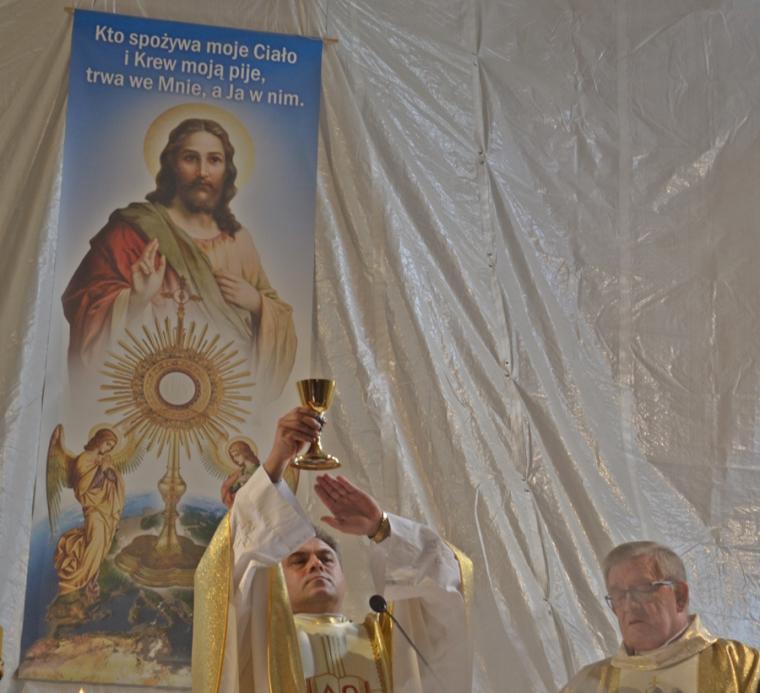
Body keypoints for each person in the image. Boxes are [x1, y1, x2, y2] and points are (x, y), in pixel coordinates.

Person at [192, 407, 473, 693]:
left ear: (344, 577)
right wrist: (275, 466)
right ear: (276, 583)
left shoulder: (389, 643)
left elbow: (446, 589)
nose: (315, 565)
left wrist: (381, 528)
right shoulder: (258, 646)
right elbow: (228, 582)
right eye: (298, 561)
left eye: (326, 558)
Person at [62, 117, 296, 402]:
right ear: (172, 165)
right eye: (190, 158)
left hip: (222, 399)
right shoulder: (132, 231)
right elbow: (82, 302)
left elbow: (279, 318)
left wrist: (257, 303)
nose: (202, 172)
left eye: (214, 160)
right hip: (146, 396)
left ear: (227, 170)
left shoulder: (238, 240)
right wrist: (134, 300)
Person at [562, 541, 760, 692]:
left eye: (643, 589)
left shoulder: (743, 667)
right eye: (619, 595)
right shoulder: (588, 684)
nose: (629, 605)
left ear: (680, 595)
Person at [52, 428, 124, 597]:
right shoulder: (83, 459)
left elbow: (114, 481)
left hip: (106, 511)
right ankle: (74, 581)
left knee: (101, 548)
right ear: (99, 440)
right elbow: (84, 488)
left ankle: (91, 582)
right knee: (94, 544)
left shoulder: (104, 459)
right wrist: (101, 470)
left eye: (111, 447)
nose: (108, 448)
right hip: (93, 510)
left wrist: (109, 471)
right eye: (108, 444)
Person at [220, 439, 261, 509]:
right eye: (233, 457)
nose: (235, 459)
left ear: (245, 452)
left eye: (237, 455)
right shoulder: (238, 473)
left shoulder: (258, 470)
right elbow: (227, 490)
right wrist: (239, 481)